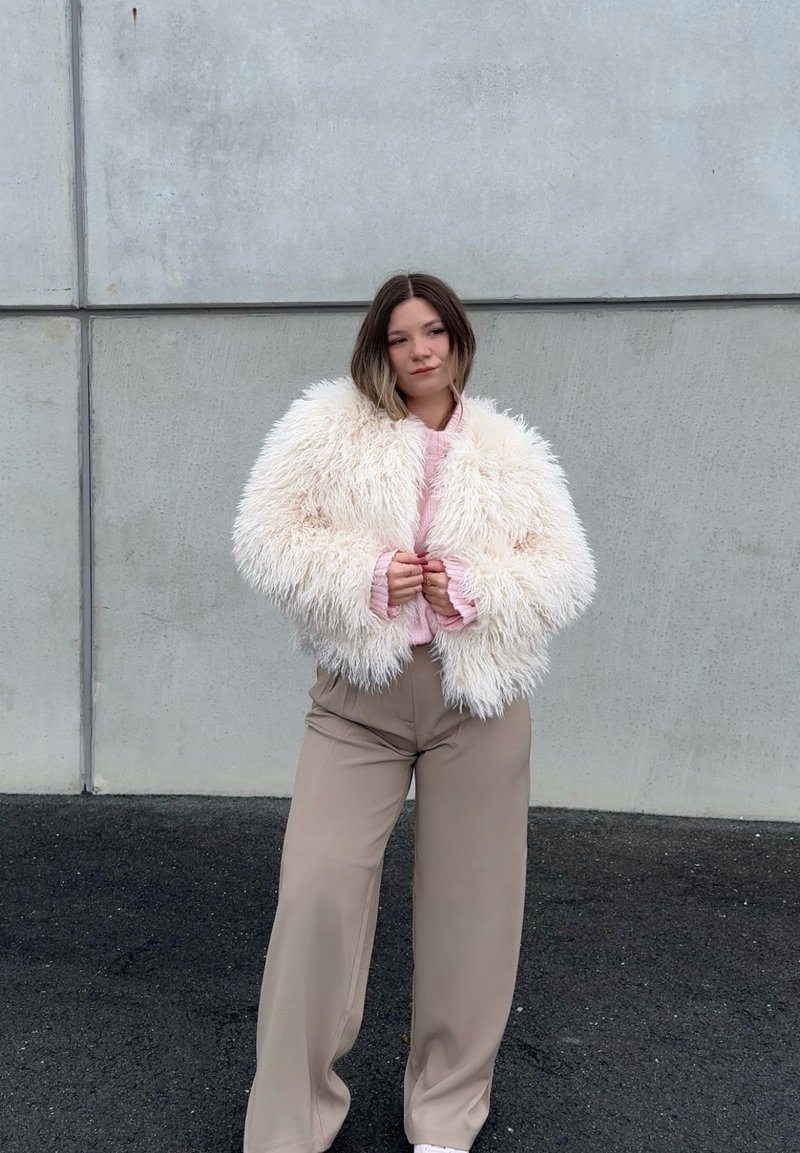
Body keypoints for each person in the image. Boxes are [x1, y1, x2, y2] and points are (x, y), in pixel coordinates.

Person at [232, 271, 596, 1153]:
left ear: (458, 338)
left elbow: (567, 572)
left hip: (479, 703)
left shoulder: (510, 449)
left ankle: (444, 1114)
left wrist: (474, 587)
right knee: (316, 892)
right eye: (401, 337)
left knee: (473, 913)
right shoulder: (326, 427)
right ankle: (288, 1124)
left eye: (433, 331)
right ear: (378, 350)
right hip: (359, 701)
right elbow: (264, 535)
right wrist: (363, 576)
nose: (421, 349)